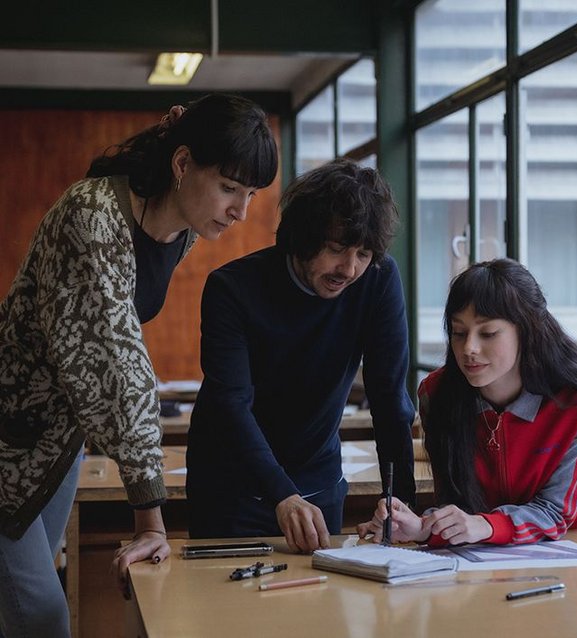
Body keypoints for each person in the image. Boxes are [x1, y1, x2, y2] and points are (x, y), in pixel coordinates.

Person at [0, 92, 277, 637]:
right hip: (8, 439)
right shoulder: (93, 215)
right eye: (228, 188)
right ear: (181, 165)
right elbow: (120, 369)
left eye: (249, 194)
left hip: (58, 442)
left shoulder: (181, 231)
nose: (241, 212)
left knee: (22, 606)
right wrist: (149, 517)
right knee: (40, 615)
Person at [187, 158, 416, 553]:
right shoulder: (233, 288)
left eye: (363, 253)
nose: (349, 268)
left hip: (318, 482)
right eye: (336, 249)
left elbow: (389, 398)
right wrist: (282, 495)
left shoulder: (377, 279)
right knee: (226, 609)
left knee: (317, 609)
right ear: (303, 237)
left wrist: (402, 505)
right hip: (231, 484)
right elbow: (232, 404)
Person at [357, 258, 577, 547]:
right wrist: (421, 526)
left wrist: (484, 525)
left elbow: (556, 511)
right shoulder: (437, 395)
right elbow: (457, 503)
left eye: (487, 333)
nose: (469, 348)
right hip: (491, 544)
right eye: (458, 333)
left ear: (528, 330)